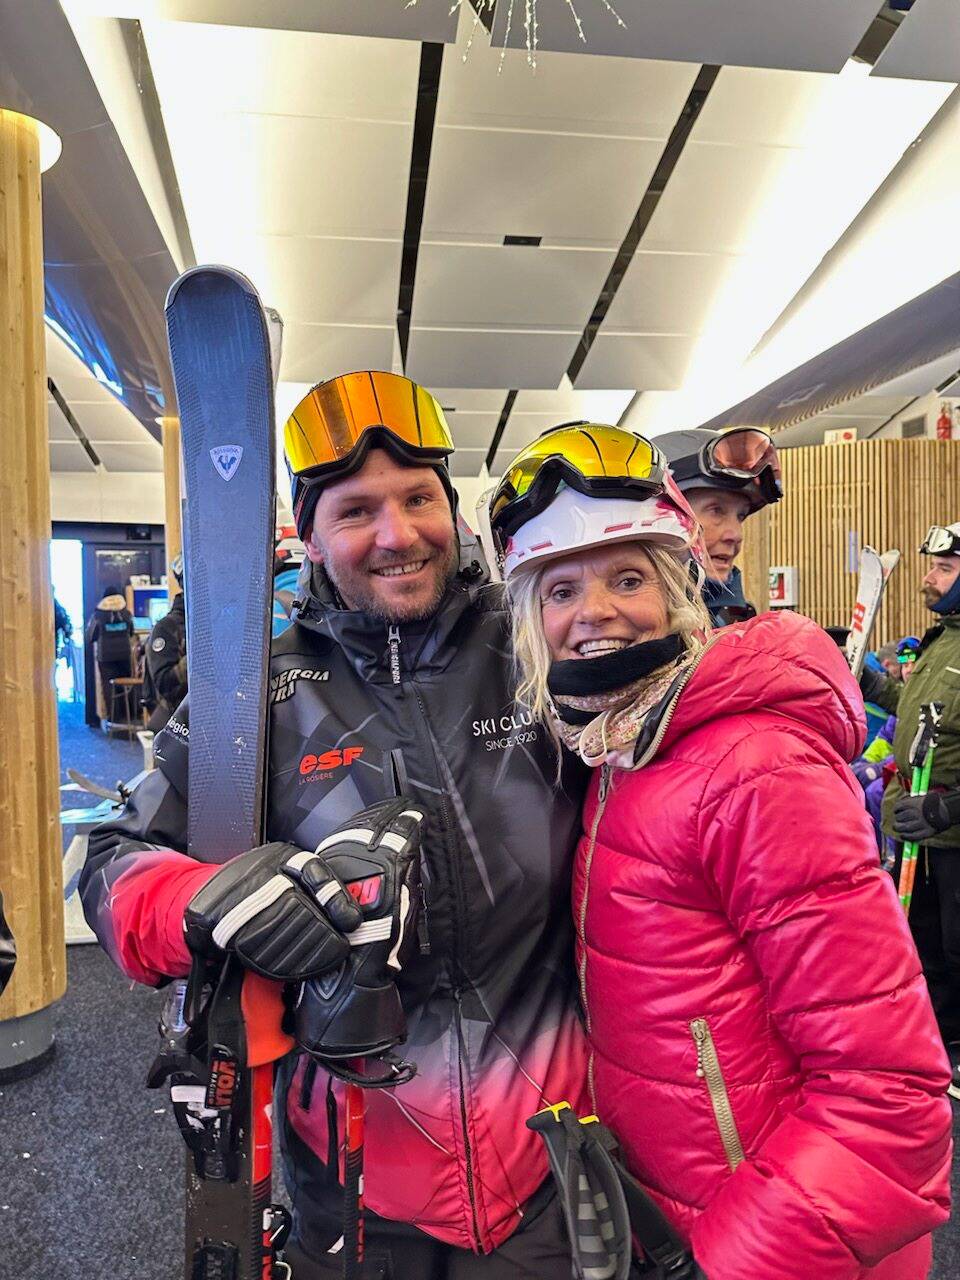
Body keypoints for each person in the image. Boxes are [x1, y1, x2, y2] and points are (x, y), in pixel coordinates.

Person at [79, 371, 589, 1278]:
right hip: (354, 1181)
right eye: (356, 511)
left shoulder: (535, 652)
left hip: (554, 1161)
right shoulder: (259, 696)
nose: (397, 534)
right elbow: (113, 861)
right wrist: (206, 901)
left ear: (453, 509)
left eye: (418, 498)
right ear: (309, 537)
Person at [490, 421, 952, 1280]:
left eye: (628, 578)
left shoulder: (754, 768)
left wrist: (733, 1261)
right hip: (689, 1218)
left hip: (786, 1247)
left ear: (679, 590)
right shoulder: (617, 754)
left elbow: (887, 1096)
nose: (593, 612)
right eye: (560, 590)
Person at [861, 522, 960, 1095]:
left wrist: (950, 811)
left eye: (944, 569)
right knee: (924, 944)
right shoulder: (940, 641)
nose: (929, 577)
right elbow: (917, 711)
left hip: (950, 832)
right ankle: (940, 1046)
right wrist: (871, 682)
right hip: (915, 827)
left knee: (957, 947)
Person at [656, 426, 781, 625]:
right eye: (716, 510)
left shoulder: (738, 621)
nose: (736, 535)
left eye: (740, 515)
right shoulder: (618, 625)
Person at [143, 555, 187, 732]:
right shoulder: (167, 627)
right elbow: (165, 684)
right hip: (179, 726)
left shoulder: (219, 623)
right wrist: (201, 656)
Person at [84, 585, 134, 724]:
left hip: (105, 657)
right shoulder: (126, 613)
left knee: (108, 687)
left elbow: (90, 636)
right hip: (124, 655)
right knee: (125, 685)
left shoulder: (98, 614)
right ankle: (127, 715)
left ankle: (114, 718)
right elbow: (131, 632)